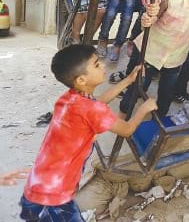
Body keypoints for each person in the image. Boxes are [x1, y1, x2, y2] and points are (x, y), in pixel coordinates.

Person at [19, 44, 156, 221]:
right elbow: (127, 129)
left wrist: (128, 80)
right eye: (97, 64)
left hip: (39, 180)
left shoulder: (69, 98)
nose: (104, 65)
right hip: (57, 191)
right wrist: (144, 109)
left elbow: (98, 103)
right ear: (82, 80)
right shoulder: (92, 110)